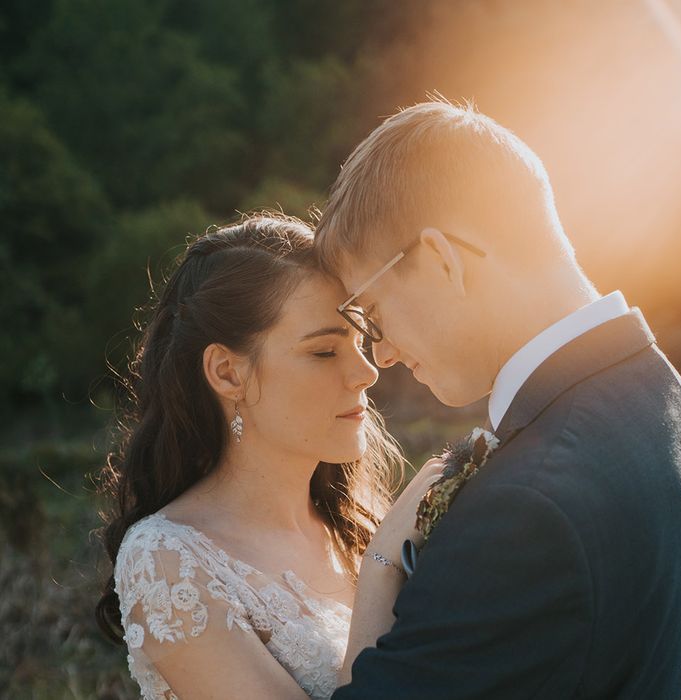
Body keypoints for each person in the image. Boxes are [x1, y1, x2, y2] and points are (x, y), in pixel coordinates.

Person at [314, 99, 681, 699]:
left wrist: (380, 569)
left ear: (441, 260)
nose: (383, 355)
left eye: (371, 314)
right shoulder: (677, 407)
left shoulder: (524, 509)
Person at [95, 213, 444, 700]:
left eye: (360, 343)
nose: (366, 373)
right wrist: (383, 566)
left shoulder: (360, 524)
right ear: (228, 373)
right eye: (324, 351)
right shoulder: (169, 560)